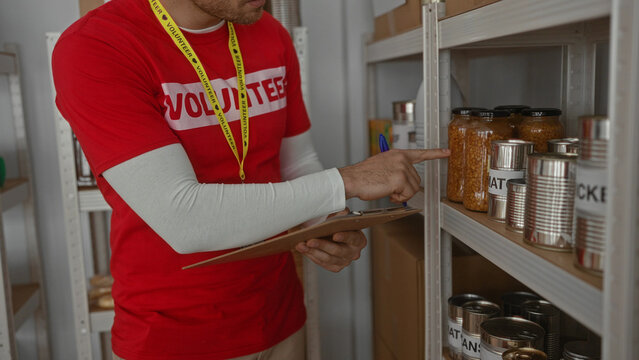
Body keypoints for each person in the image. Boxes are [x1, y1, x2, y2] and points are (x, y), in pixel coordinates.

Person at [52, 0, 450, 359]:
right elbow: (184, 218)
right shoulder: (97, 46)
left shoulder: (268, 32)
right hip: (176, 336)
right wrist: (346, 181)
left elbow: (297, 162)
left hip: (279, 316)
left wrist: (328, 225)